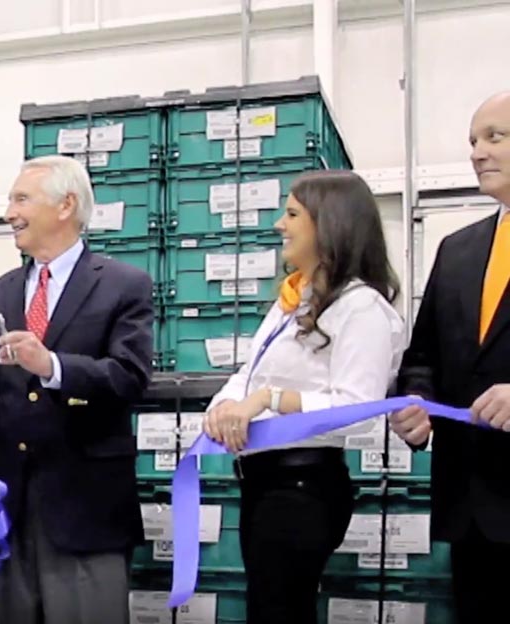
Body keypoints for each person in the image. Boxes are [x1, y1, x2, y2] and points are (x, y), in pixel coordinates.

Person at [0, 155, 154, 624]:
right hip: (6, 512)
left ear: (66, 206)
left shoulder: (125, 285)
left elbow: (129, 377)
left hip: (87, 511)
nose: (8, 213)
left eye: (21, 199)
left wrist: (53, 365)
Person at [203, 169, 404, 623]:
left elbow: (359, 412)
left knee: (280, 612)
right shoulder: (294, 299)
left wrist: (272, 400)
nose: (280, 224)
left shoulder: (362, 308)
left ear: (328, 224)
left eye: (292, 213)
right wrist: (223, 408)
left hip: (304, 487)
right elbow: (250, 372)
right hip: (262, 482)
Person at [392, 92, 510, 623]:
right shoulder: (456, 249)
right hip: (472, 509)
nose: (477, 152)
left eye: (494, 137)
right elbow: (423, 356)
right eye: (472, 141)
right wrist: (416, 404)